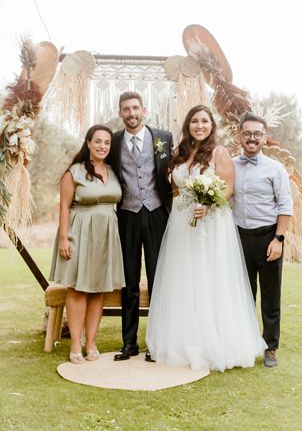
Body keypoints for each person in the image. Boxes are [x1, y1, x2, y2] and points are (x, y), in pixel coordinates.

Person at [146, 105, 266, 372]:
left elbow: (229, 188)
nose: (199, 126)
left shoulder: (218, 152)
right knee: (184, 279)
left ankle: (215, 342)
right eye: (195, 121)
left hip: (211, 223)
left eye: (204, 121)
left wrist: (209, 205)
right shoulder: (179, 153)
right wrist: (181, 211)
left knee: (209, 277)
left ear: (211, 125)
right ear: (188, 125)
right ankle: (183, 340)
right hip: (181, 221)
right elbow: (176, 190)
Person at [49, 125, 125, 364]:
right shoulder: (75, 172)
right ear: (89, 143)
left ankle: (91, 343)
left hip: (106, 234)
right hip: (79, 232)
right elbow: (64, 206)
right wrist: (64, 237)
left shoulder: (113, 171)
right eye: (98, 141)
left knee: (99, 289)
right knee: (79, 288)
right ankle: (75, 345)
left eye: (107, 143)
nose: (103, 146)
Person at [107, 91, 173, 361]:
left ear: (143, 109)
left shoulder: (164, 138)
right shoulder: (113, 141)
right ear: (120, 113)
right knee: (129, 280)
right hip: (127, 214)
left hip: (157, 213)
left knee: (159, 279)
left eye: (135, 108)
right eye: (126, 109)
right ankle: (129, 343)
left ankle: (155, 344)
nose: (131, 113)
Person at [233, 112, 293, 368]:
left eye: (257, 134)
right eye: (247, 133)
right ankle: (243, 345)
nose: (252, 138)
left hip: (268, 238)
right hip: (238, 239)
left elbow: (285, 205)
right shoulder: (230, 165)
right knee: (243, 295)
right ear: (240, 136)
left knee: (270, 296)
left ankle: (270, 347)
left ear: (264, 138)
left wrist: (278, 239)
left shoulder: (275, 168)